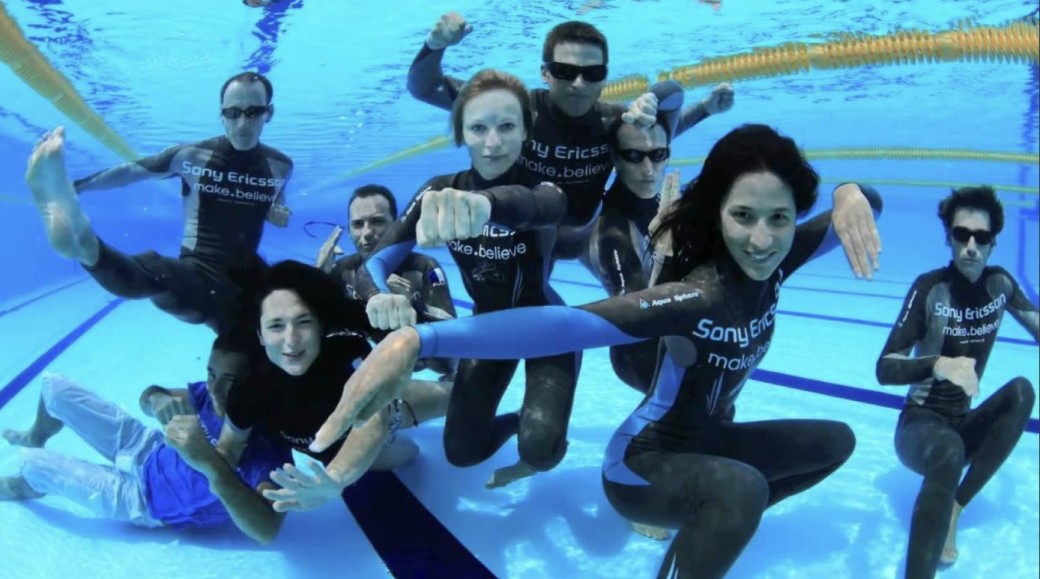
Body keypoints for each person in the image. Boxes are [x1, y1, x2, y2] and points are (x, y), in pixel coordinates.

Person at [313, 124, 884, 578]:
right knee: (743, 487)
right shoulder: (698, 294)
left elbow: (863, 208)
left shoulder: (781, 259)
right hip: (642, 465)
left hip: (711, 443)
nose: (762, 240)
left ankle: (705, 527)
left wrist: (849, 192)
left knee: (836, 441)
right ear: (718, 216)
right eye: (743, 216)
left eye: (779, 218)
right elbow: (564, 326)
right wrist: (423, 338)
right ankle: (703, 533)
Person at [358, 68, 582, 489]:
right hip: (488, 329)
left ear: (526, 132)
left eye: (506, 126)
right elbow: (374, 263)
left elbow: (539, 208)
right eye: (478, 127)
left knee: (541, 451)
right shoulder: (437, 193)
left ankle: (542, 436)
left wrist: (483, 204)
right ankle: (521, 419)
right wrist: (376, 295)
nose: (492, 142)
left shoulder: (547, 187)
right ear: (460, 133)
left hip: (549, 328)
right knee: (462, 453)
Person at [407, 14, 734, 229]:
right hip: (521, 229)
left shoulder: (614, 119)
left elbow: (662, 136)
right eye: (565, 71)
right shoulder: (515, 110)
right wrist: (433, 47)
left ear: (604, 78)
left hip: (581, 232)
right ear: (545, 73)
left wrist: (706, 108)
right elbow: (425, 88)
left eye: (592, 74)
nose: (579, 83)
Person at [26, 72, 292, 331]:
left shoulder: (281, 166)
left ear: (269, 113)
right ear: (222, 116)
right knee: (156, 271)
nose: (242, 124)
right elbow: (131, 171)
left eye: (253, 112)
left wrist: (278, 209)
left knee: (242, 362)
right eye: (233, 113)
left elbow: (276, 197)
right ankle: (85, 243)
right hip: (196, 277)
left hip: (246, 292)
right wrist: (75, 188)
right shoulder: (192, 155)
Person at [875, 186, 1037, 579]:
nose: (970, 246)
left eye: (980, 238)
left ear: (993, 242)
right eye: (961, 235)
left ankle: (955, 506)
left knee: (1022, 390)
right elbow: (885, 368)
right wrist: (939, 364)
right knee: (946, 446)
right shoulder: (930, 288)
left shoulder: (1000, 284)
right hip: (919, 428)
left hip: (963, 427)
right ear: (948, 237)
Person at [214, 259, 451, 512]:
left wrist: (337, 477)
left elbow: (374, 420)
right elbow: (229, 448)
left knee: (458, 397)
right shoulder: (249, 388)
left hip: (389, 410)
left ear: (319, 326)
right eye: (276, 326)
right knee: (410, 454)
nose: (291, 341)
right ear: (260, 336)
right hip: (353, 454)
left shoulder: (343, 351)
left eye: (303, 322)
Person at [0, 337, 291, 544]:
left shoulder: (269, 451)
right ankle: (35, 435)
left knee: (31, 464)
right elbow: (148, 394)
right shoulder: (207, 394)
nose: (214, 388)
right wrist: (157, 399)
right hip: (145, 445)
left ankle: (21, 486)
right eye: (211, 374)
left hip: (141, 499)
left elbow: (267, 530)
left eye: (229, 380)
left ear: (256, 383)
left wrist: (210, 463)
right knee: (54, 387)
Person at [318, 184, 457, 376]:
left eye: (377, 221)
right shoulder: (343, 270)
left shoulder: (424, 268)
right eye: (358, 224)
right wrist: (317, 277)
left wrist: (411, 308)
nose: (366, 232)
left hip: (411, 377)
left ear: (395, 225)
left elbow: (451, 355)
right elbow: (313, 332)